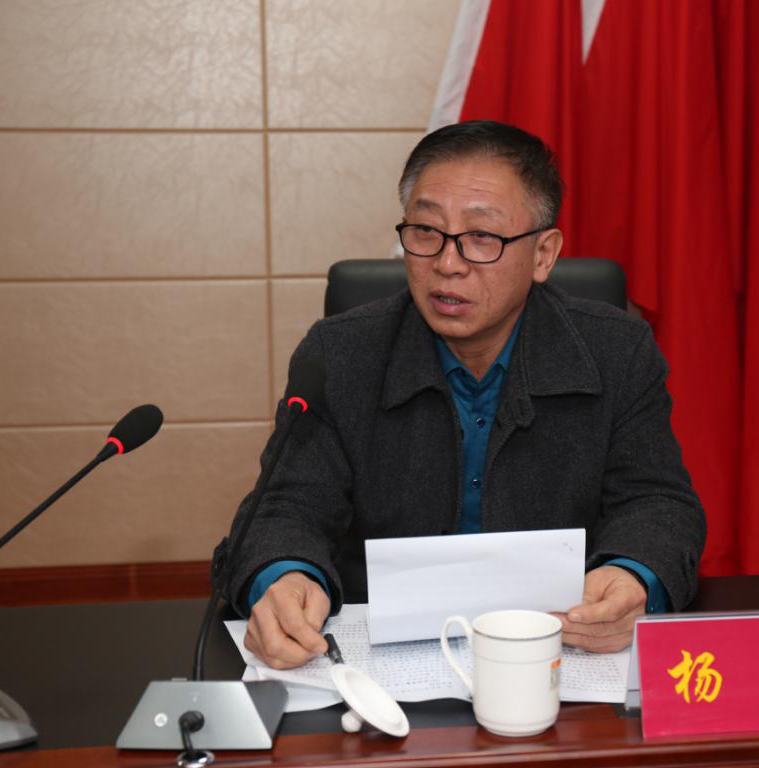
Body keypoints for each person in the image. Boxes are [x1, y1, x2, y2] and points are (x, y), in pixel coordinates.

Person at [223, 120, 705, 670]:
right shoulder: (340, 355)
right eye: (426, 230)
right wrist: (284, 574)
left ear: (543, 255)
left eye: (482, 237)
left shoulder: (616, 351)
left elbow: (658, 503)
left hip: (558, 652)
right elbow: (286, 506)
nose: (447, 263)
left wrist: (633, 574)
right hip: (379, 664)